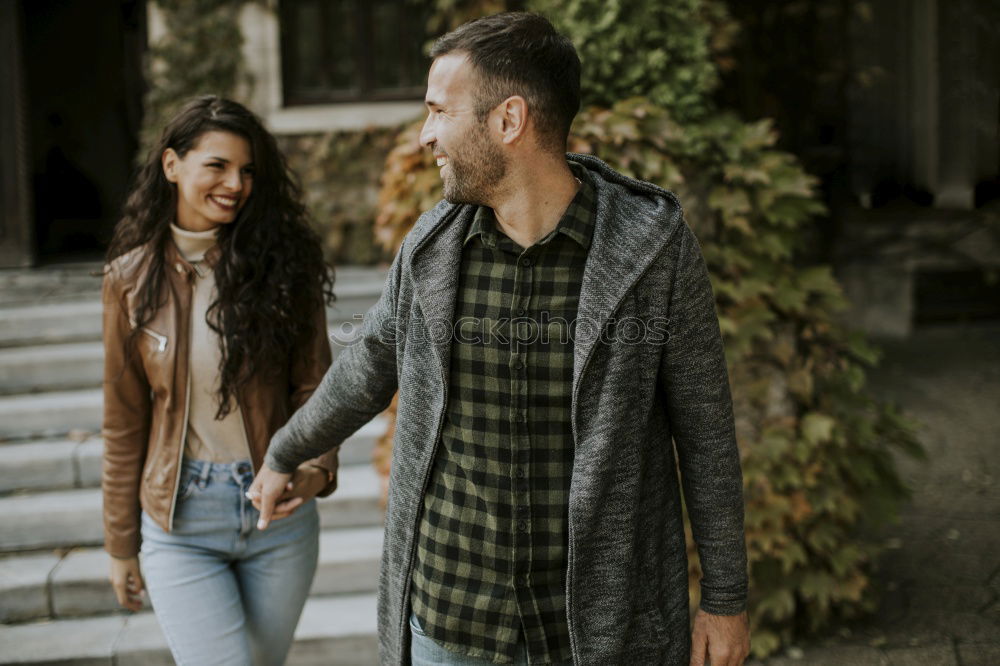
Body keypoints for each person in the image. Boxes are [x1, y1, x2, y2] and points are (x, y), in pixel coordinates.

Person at [251, 12, 750, 666]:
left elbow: (706, 431)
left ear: (508, 120)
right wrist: (286, 450)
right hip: (452, 619)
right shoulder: (431, 250)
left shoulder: (649, 252)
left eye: (438, 111)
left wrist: (725, 598)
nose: (426, 136)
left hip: (597, 629)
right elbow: (368, 366)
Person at [101, 95, 340, 665]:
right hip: (182, 518)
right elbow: (123, 419)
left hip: (278, 515)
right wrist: (120, 544)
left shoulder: (285, 267)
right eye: (217, 165)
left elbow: (316, 386)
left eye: (248, 170)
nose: (236, 183)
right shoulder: (129, 281)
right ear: (171, 165)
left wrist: (313, 470)